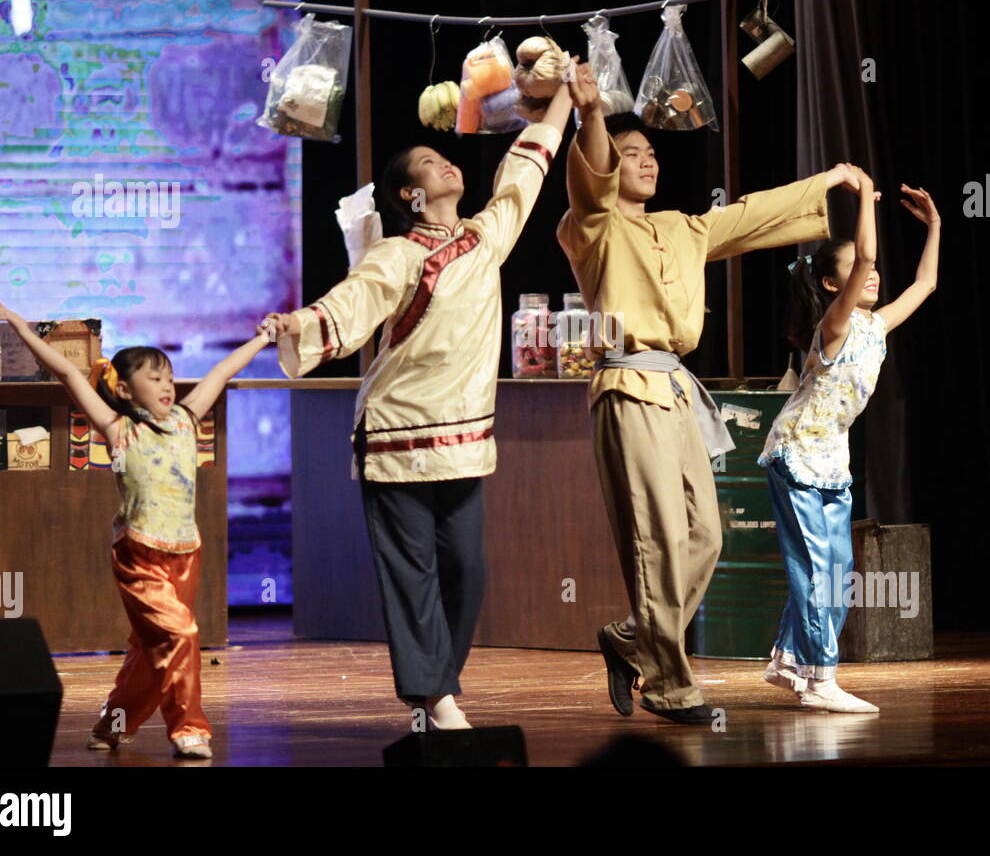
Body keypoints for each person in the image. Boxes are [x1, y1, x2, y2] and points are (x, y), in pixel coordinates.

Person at [266, 74, 578, 731]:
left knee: (467, 567)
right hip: (397, 432)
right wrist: (300, 325)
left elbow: (526, 174)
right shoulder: (396, 255)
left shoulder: (485, 238)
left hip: (464, 436)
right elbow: (352, 303)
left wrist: (566, 101)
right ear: (412, 194)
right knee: (413, 575)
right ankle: (435, 696)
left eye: (443, 156)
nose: (445, 162)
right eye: (430, 164)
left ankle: (438, 685)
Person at [557, 66, 857, 723]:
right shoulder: (593, 226)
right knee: (657, 538)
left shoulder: (684, 228)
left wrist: (826, 183)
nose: (646, 161)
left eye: (652, 153)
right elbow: (590, 181)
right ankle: (668, 682)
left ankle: (633, 638)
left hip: (675, 390)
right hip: (629, 384)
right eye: (630, 154)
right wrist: (590, 118)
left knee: (706, 537)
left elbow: (749, 216)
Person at [0, 300, 272, 758]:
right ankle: (189, 728)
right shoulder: (118, 429)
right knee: (181, 635)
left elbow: (219, 373)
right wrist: (21, 326)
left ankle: (112, 726)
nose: (166, 384)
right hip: (139, 556)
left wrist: (263, 338)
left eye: (169, 376)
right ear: (123, 389)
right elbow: (68, 374)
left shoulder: (185, 420)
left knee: (148, 651)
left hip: (186, 553)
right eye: (153, 377)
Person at [759, 176, 941, 712]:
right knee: (822, 569)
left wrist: (935, 226)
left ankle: (789, 659)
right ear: (833, 284)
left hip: (831, 460)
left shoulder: (874, 327)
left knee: (838, 568)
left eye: (875, 272)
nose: (874, 274)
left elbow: (925, 285)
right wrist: (864, 199)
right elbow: (865, 253)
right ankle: (819, 680)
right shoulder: (834, 326)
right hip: (796, 455)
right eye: (859, 271)